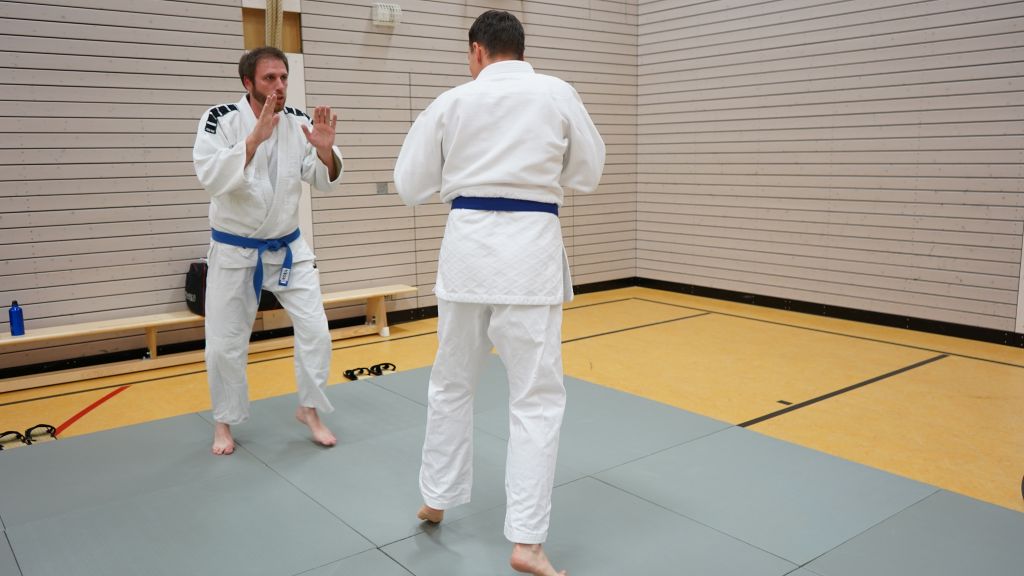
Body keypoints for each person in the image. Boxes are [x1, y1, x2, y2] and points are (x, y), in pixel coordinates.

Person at [394, 11, 605, 576]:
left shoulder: (451, 102)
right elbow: (588, 173)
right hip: (529, 257)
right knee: (534, 399)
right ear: (520, 48)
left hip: (466, 254)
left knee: (451, 384)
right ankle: (527, 543)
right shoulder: (557, 93)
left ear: (476, 51)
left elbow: (409, 184)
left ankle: (436, 498)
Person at [192, 46, 343, 456]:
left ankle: (309, 408)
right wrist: (253, 140)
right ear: (248, 82)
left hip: (287, 246)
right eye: (269, 78)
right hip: (235, 250)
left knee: (316, 331)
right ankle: (224, 421)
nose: (279, 85)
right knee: (224, 343)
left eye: (283, 77)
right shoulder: (220, 119)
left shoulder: (298, 121)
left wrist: (324, 151)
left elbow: (321, 177)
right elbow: (209, 174)